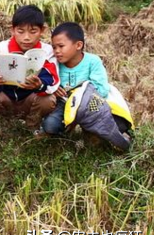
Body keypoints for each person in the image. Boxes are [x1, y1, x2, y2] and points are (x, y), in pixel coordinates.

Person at [36, 22, 133, 150]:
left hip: (92, 104)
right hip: (63, 104)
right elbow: (47, 82)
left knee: (114, 123)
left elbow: (101, 90)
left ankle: (110, 134)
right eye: (54, 47)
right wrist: (54, 90)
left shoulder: (93, 61)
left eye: (61, 46)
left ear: (78, 45)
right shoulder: (55, 63)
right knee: (50, 126)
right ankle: (66, 130)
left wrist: (78, 105)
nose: (57, 51)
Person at [0, 5, 60, 136]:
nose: (26, 37)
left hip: (30, 100)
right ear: (12, 30)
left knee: (48, 100)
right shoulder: (1, 48)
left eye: (33, 31)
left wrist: (39, 85)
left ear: (42, 30)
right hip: (5, 99)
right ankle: (2, 125)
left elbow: (53, 81)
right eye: (20, 31)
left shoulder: (47, 51)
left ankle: (32, 126)